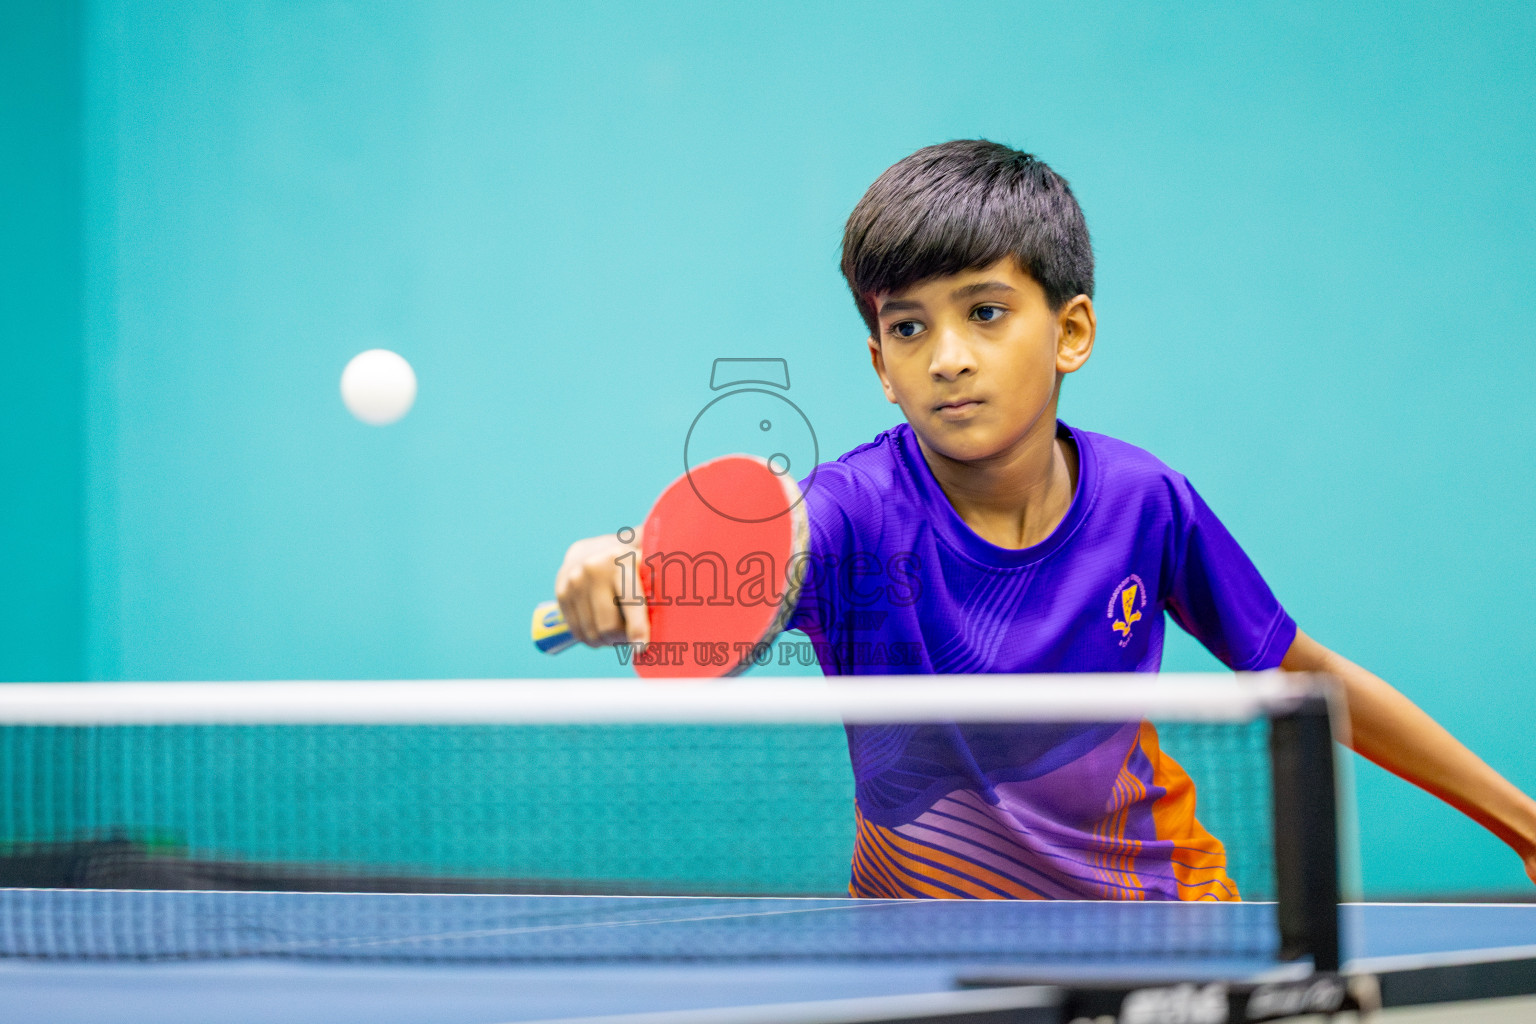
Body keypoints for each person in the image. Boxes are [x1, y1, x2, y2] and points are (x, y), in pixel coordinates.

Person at [553, 139, 1536, 900]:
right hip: (924, 940)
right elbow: (757, 549)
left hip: (1163, 918)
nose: (946, 356)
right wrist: (619, 568)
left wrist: (1523, 822)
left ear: (1070, 332)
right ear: (879, 368)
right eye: (908, 326)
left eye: (984, 313)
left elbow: (1303, 677)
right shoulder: (854, 515)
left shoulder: (1146, 503)